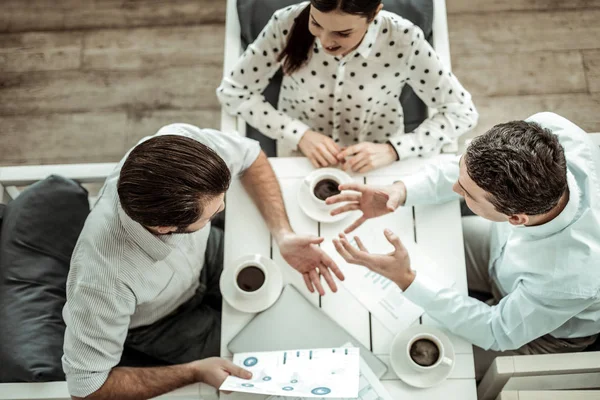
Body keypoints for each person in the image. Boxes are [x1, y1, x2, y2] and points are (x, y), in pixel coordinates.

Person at [62, 124, 344, 399]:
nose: (222, 209)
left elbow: (250, 155)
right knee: (265, 360)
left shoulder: (180, 145)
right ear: (164, 229)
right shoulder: (101, 281)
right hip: (164, 322)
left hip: (203, 255)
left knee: (300, 310)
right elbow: (86, 389)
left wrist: (283, 234)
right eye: (211, 215)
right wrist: (195, 371)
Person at [329, 112, 600, 379]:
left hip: (540, 333)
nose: (455, 189)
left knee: (428, 367)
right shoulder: (548, 129)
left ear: (516, 218)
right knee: (430, 246)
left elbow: (496, 330)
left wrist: (406, 279)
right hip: (499, 247)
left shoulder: (572, 277)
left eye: (466, 193)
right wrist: (402, 191)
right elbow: (469, 170)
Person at [217, 0, 477, 172]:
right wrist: (300, 135)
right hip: (300, 155)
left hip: (379, 159)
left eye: (342, 33)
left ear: (375, 13)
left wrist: (394, 150)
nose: (325, 42)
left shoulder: (404, 39)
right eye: (316, 24)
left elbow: (462, 112)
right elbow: (233, 92)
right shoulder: (286, 23)